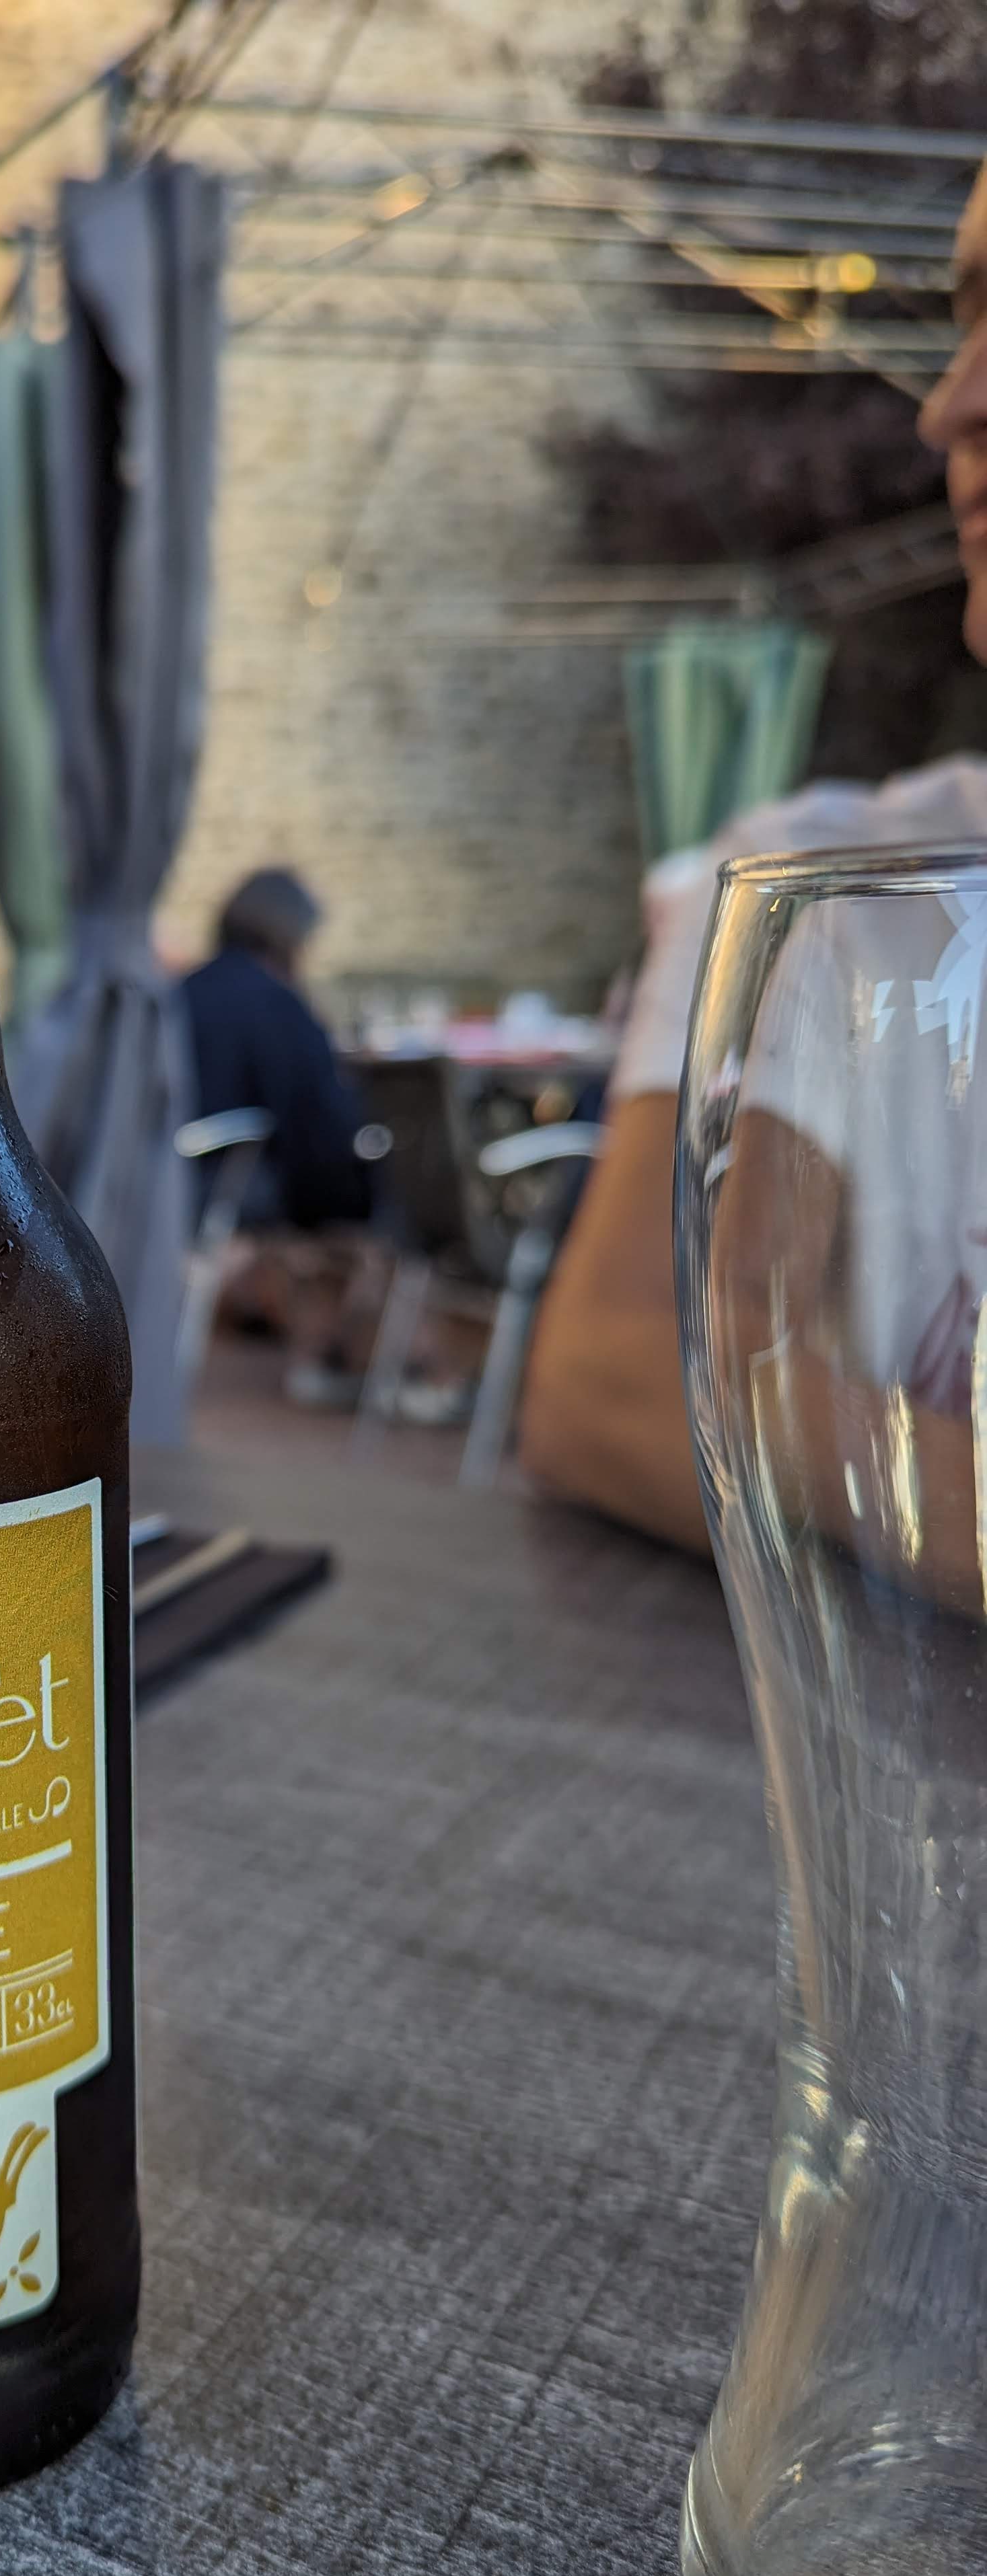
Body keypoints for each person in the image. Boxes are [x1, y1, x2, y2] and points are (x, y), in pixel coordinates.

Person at [518, 158, 987, 1553]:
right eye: (965, 318)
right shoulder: (841, 895)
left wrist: (831, 1426)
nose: (947, 406)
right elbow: (615, 1380)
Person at [181, 866, 371, 1232]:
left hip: (170, 1183)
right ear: (289, 935)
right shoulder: (276, 1004)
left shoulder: (183, 991)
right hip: (235, 1191)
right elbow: (321, 1122)